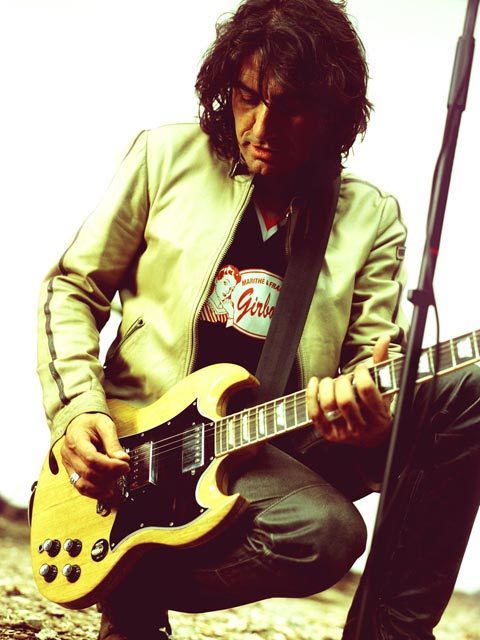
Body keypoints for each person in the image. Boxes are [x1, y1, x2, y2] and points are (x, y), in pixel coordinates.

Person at [36, 1, 480, 639]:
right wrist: (78, 409)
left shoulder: (371, 217)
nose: (261, 126)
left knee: (465, 388)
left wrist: (367, 410)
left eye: (290, 107)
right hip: (148, 446)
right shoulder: (165, 157)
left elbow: (370, 356)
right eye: (248, 98)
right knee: (327, 532)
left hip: (284, 434)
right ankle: (132, 586)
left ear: (332, 113)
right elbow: (73, 287)